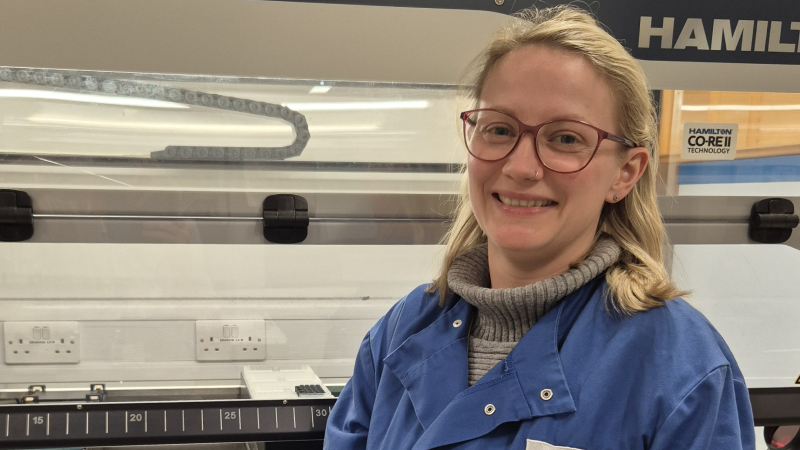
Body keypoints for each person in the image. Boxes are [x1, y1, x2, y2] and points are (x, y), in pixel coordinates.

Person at [324, 5, 755, 450]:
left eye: (566, 138)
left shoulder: (683, 369)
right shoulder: (400, 332)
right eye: (499, 129)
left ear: (625, 173)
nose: (520, 166)